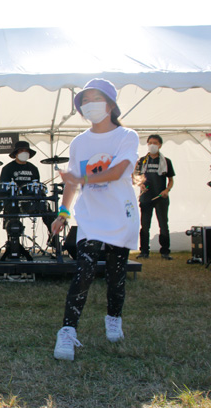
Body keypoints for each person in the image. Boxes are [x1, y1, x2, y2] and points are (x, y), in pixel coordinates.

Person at [50, 78, 139, 361]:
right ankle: (67, 331)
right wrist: (63, 213)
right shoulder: (79, 142)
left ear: (110, 104)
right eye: (84, 101)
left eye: (95, 98)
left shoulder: (127, 136)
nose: (89, 105)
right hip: (90, 217)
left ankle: (113, 318)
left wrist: (82, 179)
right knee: (84, 271)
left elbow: (118, 171)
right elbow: (72, 181)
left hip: (120, 215)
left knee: (116, 275)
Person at [134, 134, 175, 260]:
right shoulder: (142, 161)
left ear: (160, 145)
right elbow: (136, 176)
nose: (152, 145)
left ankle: (165, 251)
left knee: (163, 225)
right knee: (145, 225)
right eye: (150, 142)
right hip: (146, 198)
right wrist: (140, 184)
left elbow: (171, 180)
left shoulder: (166, 161)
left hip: (160, 197)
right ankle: (144, 251)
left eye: (155, 143)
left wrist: (167, 190)